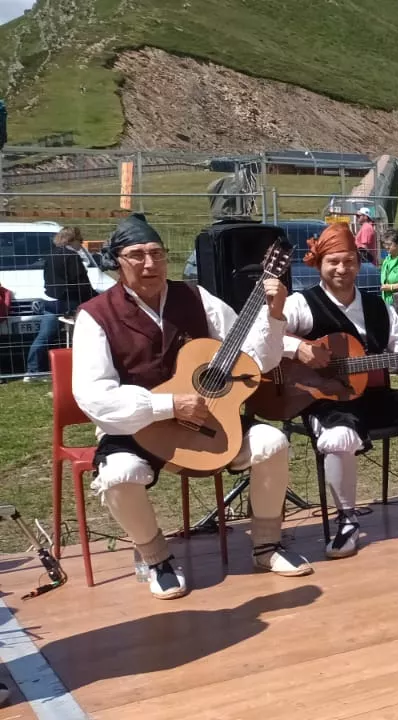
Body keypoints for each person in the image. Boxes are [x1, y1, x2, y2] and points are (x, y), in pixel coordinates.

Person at [71, 214, 311, 599]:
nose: (150, 264)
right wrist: (168, 406)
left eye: (156, 253)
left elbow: (253, 358)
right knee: (118, 474)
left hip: (212, 419)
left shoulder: (197, 298)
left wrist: (276, 314)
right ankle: (156, 558)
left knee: (271, 442)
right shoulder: (95, 316)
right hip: (139, 429)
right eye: (137, 255)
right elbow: (94, 394)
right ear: (117, 261)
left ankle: (267, 544)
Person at [283, 222, 398, 560]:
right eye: (333, 261)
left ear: (359, 261)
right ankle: (347, 521)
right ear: (319, 264)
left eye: (349, 261)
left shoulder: (377, 306)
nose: (342, 269)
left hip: (374, 396)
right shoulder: (300, 304)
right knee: (338, 437)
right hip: (323, 399)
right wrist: (298, 350)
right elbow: (259, 338)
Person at [26, 226, 98, 380]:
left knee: (43, 337)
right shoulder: (72, 256)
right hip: (68, 302)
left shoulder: (50, 255)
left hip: (51, 301)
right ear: (72, 240)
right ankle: (82, 368)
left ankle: (32, 371)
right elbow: (80, 283)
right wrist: (95, 297)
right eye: (80, 240)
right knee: (84, 335)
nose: (81, 244)